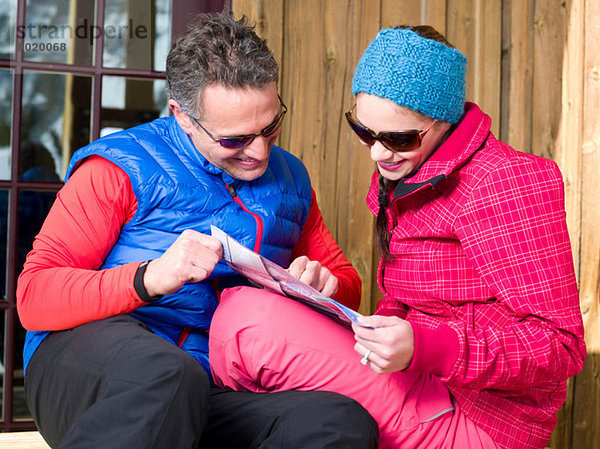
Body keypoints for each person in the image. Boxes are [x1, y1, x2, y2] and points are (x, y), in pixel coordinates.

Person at [208, 25, 587, 449]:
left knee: (248, 326)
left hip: (476, 417)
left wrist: (427, 347)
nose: (377, 152)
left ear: (445, 121)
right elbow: (404, 302)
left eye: (398, 138)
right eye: (364, 131)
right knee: (239, 313)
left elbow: (560, 346)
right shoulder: (410, 171)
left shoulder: (505, 180)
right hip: (419, 381)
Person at [16, 13, 379, 449]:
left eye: (270, 126)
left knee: (339, 421)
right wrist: (150, 276)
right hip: (92, 369)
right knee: (167, 377)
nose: (260, 151)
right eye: (235, 140)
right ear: (182, 116)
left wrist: (328, 286)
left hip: (211, 383)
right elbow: (34, 296)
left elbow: (348, 285)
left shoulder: (292, 180)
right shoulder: (115, 169)